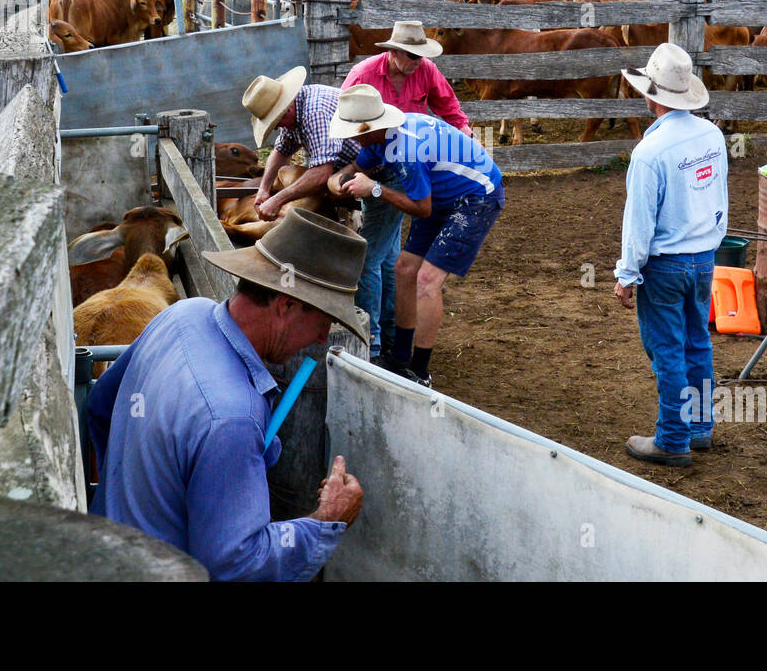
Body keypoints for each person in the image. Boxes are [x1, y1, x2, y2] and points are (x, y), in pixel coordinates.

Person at [86, 208, 368, 581]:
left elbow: (99, 404)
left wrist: (144, 488)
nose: (321, 338)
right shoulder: (233, 416)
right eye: (323, 322)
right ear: (286, 306)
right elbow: (237, 564)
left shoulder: (183, 315)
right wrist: (326, 520)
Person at [328, 84, 503, 388]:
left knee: (427, 280)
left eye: (351, 132)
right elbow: (353, 168)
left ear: (367, 129)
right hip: (444, 194)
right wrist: (338, 180)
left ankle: (420, 371)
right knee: (404, 268)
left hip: (476, 197)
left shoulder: (406, 150)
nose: (349, 138)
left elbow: (422, 209)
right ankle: (399, 357)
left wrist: (375, 189)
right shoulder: (380, 138)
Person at [612, 43, 728, 468]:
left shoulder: (649, 154)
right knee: (697, 341)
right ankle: (699, 426)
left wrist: (628, 272)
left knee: (667, 348)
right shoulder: (711, 136)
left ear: (651, 95)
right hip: (702, 256)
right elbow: (720, 196)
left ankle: (673, 438)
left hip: (666, 262)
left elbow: (639, 222)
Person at [341, 20, 472, 362]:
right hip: (377, 159)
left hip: (410, 164)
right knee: (385, 254)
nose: (416, 62)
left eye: (419, 56)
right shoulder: (363, 75)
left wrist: (463, 135)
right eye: (410, 56)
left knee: (372, 253)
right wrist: (353, 169)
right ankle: (385, 334)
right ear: (393, 52)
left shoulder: (426, 71)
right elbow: (349, 121)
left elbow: (450, 109)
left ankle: (372, 341)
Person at [243, 66, 358, 221]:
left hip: (378, 166)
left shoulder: (315, 114)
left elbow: (322, 172)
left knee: (376, 237)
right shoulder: (296, 108)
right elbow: (281, 151)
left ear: (287, 109)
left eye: (275, 121)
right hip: (351, 168)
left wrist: (277, 200)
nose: (276, 127)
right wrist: (264, 189)